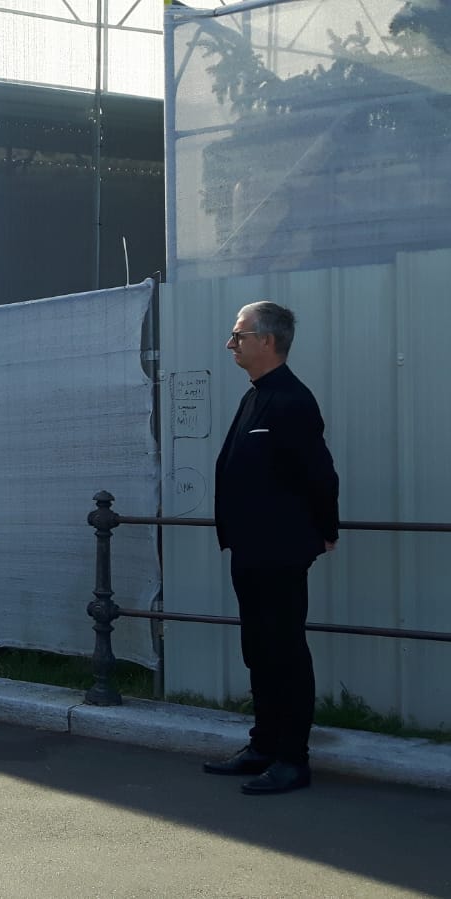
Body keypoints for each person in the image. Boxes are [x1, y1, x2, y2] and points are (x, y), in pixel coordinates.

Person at [203, 301, 339, 796]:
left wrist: (325, 531)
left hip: (281, 550)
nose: (230, 344)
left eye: (238, 335)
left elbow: (320, 475)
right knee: (258, 650)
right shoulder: (254, 397)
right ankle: (263, 745)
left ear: (267, 340)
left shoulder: (292, 400)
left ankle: (291, 759)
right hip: (250, 549)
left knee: (285, 651)